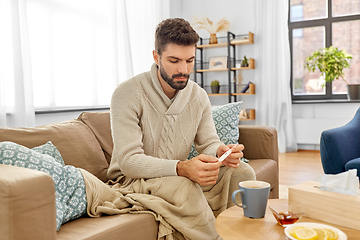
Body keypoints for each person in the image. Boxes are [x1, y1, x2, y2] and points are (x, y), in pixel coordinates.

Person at [108, 18, 256, 240]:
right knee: (184, 187)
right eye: (174, 60)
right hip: (132, 180)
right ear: (156, 57)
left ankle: (241, 235)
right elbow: (129, 161)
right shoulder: (127, 93)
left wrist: (220, 152)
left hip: (177, 175)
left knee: (244, 172)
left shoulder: (198, 96)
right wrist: (181, 168)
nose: (183, 69)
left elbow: (208, 143)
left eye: (190, 60)